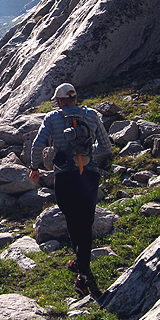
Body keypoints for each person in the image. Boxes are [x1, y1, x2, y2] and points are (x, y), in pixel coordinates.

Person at [29, 83, 112, 297]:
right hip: (89, 175)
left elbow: (38, 144)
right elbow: (106, 147)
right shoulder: (92, 115)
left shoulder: (51, 118)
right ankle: (81, 268)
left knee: (72, 219)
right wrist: (87, 153)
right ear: (75, 99)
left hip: (64, 176)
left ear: (58, 101)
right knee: (86, 222)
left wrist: (34, 167)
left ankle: (80, 267)